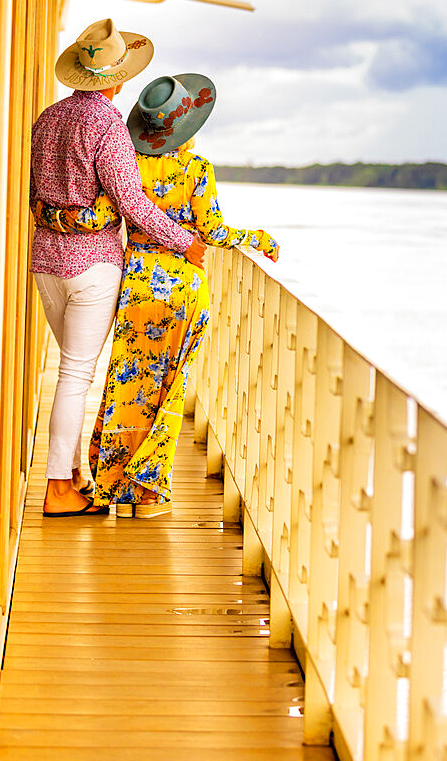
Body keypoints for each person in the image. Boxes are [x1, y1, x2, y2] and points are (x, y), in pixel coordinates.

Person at [33, 73, 278, 519]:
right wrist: (256, 239)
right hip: (170, 286)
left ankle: (104, 483)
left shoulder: (91, 140)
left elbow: (100, 209)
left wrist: (53, 218)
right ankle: (142, 495)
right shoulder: (194, 168)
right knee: (162, 391)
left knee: (124, 389)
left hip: (126, 281)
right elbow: (209, 230)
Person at [30, 20, 206, 518]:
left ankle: (74, 475)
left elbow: (31, 194)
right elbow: (132, 201)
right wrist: (184, 241)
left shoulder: (48, 118)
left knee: (72, 370)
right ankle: (58, 487)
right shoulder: (107, 125)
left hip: (46, 260)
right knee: (75, 375)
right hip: (93, 265)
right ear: (119, 79)